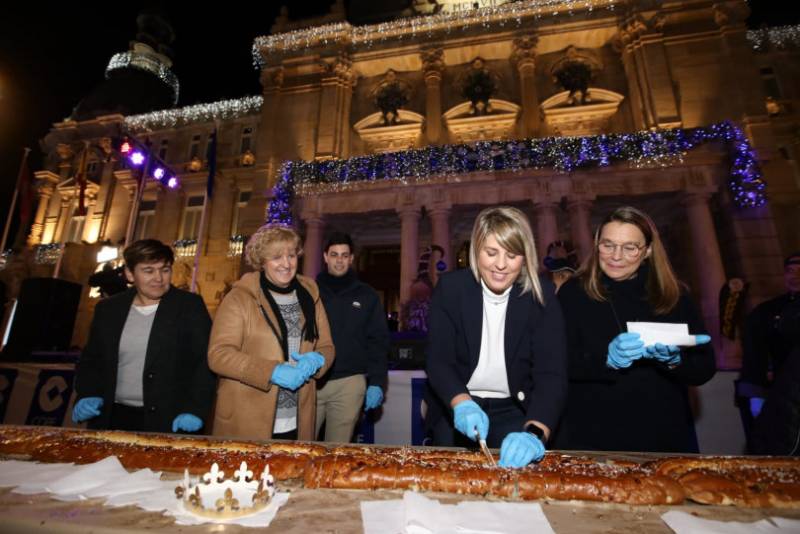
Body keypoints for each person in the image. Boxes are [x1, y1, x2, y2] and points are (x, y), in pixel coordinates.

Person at [552, 206, 715, 453]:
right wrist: (606, 360)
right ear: (597, 245)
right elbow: (556, 363)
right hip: (593, 435)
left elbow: (704, 369)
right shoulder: (573, 293)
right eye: (608, 245)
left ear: (648, 250)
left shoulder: (674, 296)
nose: (616, 256)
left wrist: (675, 361)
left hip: (664, 436)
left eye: (629, 248)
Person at [425, 206, 568, 468]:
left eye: (512, 255)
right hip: (457, 406)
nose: (500, 265)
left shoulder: (542, 295)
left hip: (515, 411)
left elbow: (551, 374)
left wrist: (535, 433)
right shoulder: (451, 289)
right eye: (491, 253)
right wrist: (461, 403)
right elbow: (439, 360)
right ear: (476, 250)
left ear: (525, 257)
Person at [72, 239, 215, 433]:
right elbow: (92, 359)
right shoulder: (108, 309)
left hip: (169, 419)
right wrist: (87, 393)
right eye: (148, 270)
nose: (159, 278)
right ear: (130, 274)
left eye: (165, 270)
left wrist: (195, 409)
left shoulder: (189, 307)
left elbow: (205, 362)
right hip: (112, 416)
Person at [208, 224, 335, 440]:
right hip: (247, 417)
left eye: (292, 255)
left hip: (298, 416)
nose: (287, 264)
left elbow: (327, 346)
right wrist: (271, 372)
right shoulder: (240, 297)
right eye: (277, 257)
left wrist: (318, 359)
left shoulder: (310, 295)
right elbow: (218, 355)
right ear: (262, 261)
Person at [315, 232, 390, 442]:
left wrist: (377, 381)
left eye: (344, 255)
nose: (339, 260)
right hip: (312, 382)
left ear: (351, 259)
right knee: (302, 449)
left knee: (337, 452)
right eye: (334, 254)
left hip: (350, 384)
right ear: (325, 257)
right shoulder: (310, 291)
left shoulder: (367, 295)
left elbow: (378, 341)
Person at [738, 252, 800, 453]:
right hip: (785, 394)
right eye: (790, 271)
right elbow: (755, 355)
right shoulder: (766, 312)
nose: (795, 276)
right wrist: (756, 394)